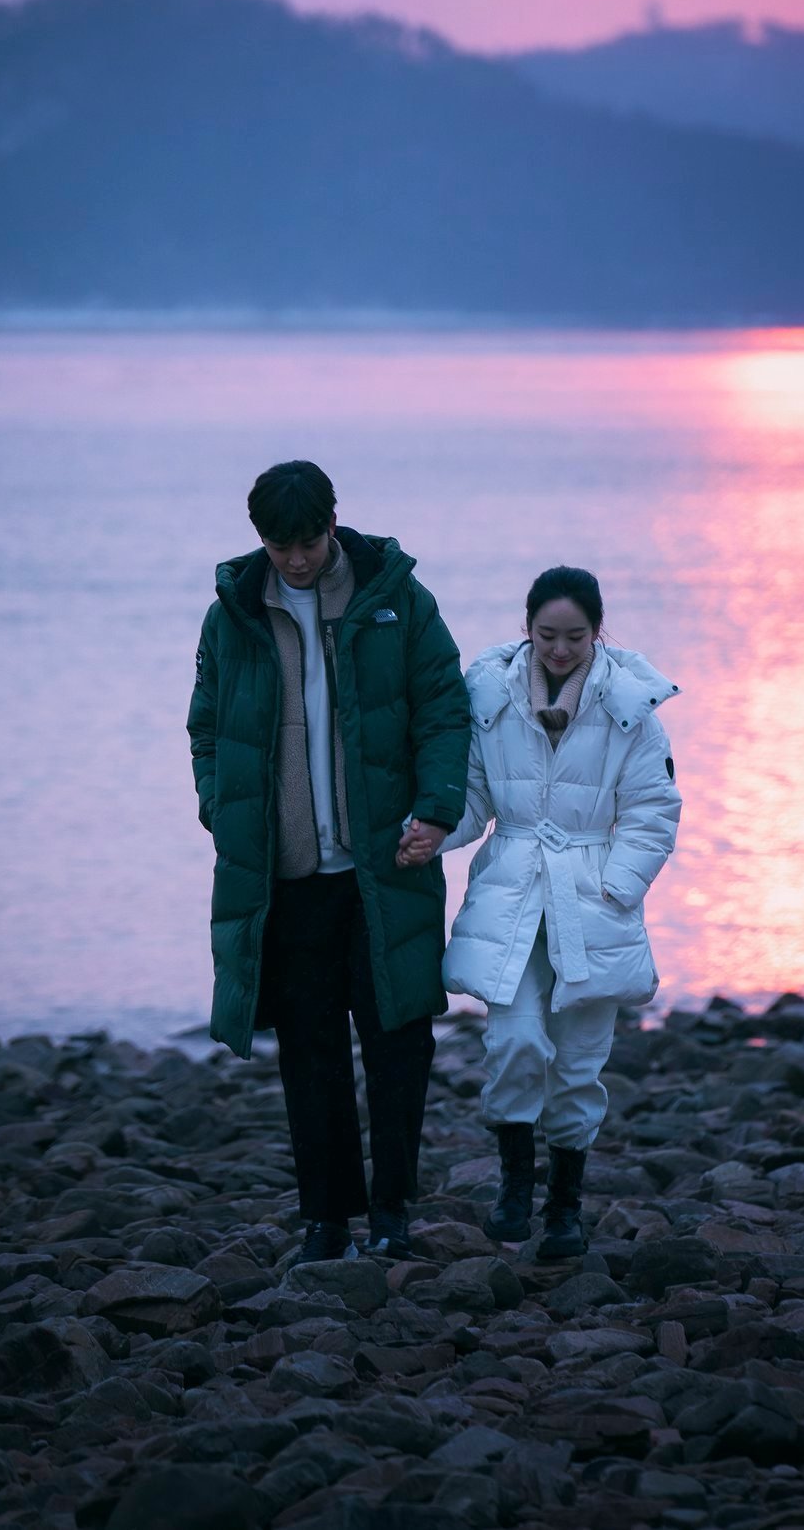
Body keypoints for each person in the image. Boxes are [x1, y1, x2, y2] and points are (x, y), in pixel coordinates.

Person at [187, 460, 470, 1263]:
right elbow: (206, 728)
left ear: (332, 524)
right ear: (261, 539)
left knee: (400, 1041)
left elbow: (444, 709)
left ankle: (393, 1211)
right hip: (287, 877)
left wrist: (437, 808)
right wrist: (221, 810)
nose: (297, 559)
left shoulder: (398, 599)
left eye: (308, 542)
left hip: (386, 863)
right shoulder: (233, 615)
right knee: (309, 1052)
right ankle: (328, 1219)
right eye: (280, 546)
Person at [400, 566, 681, 1258]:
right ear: (526, 627)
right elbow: (472, 798)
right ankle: (514, 1189)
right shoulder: (489, 698)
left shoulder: (630, 707)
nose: (560, 649)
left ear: (598, 631)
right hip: (513, 891)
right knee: (515, 1043)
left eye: (575, 636)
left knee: (580, 1062)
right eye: (547, 634)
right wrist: (430, 831)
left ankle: (564, 1207)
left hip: (593, 900)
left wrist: (616, 888)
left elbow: (652, 811)